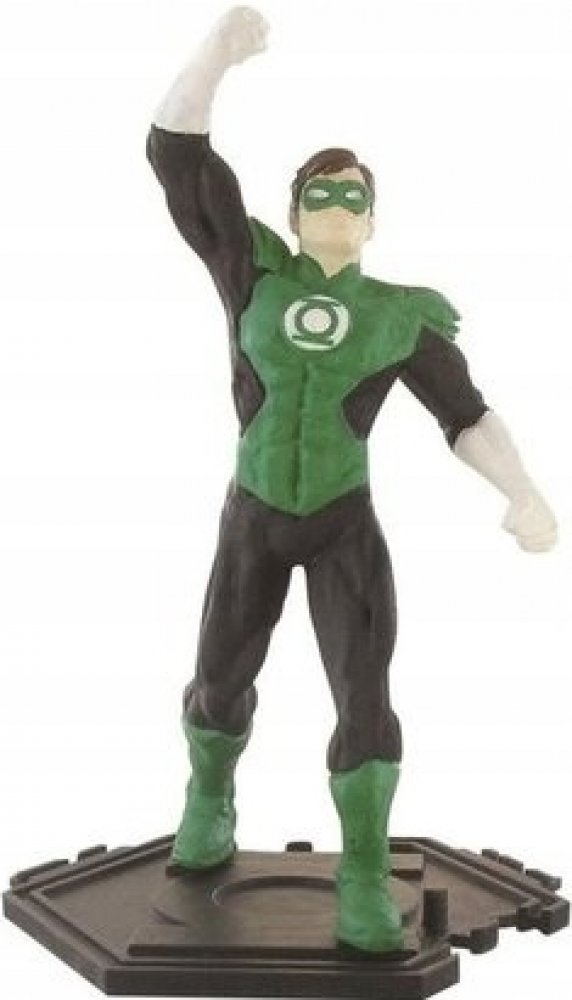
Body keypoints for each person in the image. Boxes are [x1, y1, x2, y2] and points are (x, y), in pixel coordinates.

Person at [147, 6, 557, 954]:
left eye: (353, 197)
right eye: (320, 194)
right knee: (220, 678)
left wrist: (523, 490)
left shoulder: (398, 316)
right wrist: (215, 54)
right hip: (253, 517)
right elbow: (176, 157)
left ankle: (365, 870)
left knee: (364, 695)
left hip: (342, 523)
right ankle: (209, 796)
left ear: (373, 219)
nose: (336, 207)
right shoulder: (252, 271)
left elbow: (466, 413)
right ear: (294, 213)